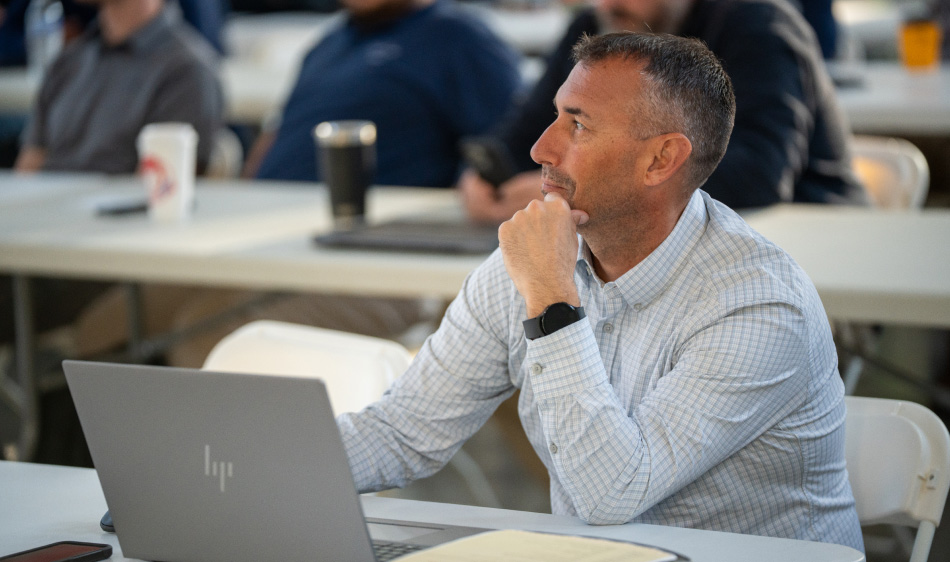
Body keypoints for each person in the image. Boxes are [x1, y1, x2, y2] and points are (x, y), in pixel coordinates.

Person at [338, 32, 864, 551]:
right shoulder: (530, 259)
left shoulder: (758, 304)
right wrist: (268, 462)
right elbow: (403, 432)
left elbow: (612, 494)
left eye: (579, 125)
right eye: (556, 115)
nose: (540, 148)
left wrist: (549, 296)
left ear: (660, 160)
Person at [461, 0, 868, 223]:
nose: (609, 4)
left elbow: (759, 176)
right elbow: (530, 127)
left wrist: (581, 187)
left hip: (802, 243)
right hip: (661, 245)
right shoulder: (603, 20)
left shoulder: (758, 23)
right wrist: (485, 175)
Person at [245, 0, 522, 187]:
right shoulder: (329, 42)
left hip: (361, 235)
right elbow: (280, 132)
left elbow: (509, 153)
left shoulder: (459, 38)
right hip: (260, 220)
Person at [14, 0, 223, 174]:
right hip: (43, 216)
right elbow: (28, 170)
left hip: (110, 221)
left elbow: (158, 195)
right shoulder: (69, 61)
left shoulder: (186, 73)